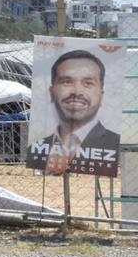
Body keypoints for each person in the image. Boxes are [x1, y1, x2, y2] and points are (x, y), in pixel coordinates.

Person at [26, 49, 121, 177]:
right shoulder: (37, 145)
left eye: (88, 83)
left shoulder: (111, 143)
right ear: (52, 92)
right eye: (66, 81)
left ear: (101, 95)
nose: (76, 92)